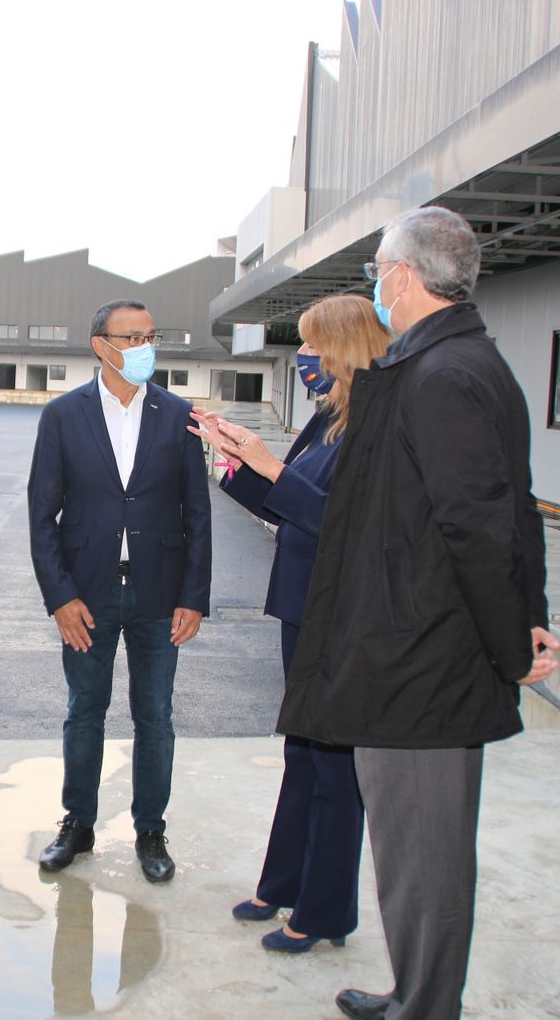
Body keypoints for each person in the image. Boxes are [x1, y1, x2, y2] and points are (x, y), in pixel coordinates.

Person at [276, 208, 560, 1020]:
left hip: (426, 661)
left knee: (425, 853)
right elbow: (517, 506)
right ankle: (416, 992)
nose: (374, 284)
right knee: (409, 850)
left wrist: (513, 643)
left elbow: (480, 522)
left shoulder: (443, 377)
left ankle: (427, 1006)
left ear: (402, 276)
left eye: (376, 269)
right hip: (419, 652)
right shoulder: (456, 363)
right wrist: (528, 615)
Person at [188, 294, 391, 955]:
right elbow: (287, 507)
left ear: (344, 347)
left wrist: (268, 462)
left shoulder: (375, 425)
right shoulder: (329, 417)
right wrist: (230, 457)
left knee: (333, 765)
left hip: (340, 613)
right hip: (302, 606)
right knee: (302, 753)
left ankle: (325, 910)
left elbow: (345, 523)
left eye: (311, 345)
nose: (302, 358)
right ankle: (283, 884)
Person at [26, 298, 211, 884]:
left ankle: (150, 831)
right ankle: (77, 824)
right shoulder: (63, 415)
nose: (143, 348)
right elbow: (41, 516)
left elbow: (197, 516)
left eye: (151, 336)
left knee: (155, 715)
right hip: (87, 595)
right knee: (86, 712)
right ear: (99, 345)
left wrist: (194, 596)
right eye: (130, 338)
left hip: (159, 596)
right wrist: (60, 597)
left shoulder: (177, 414)